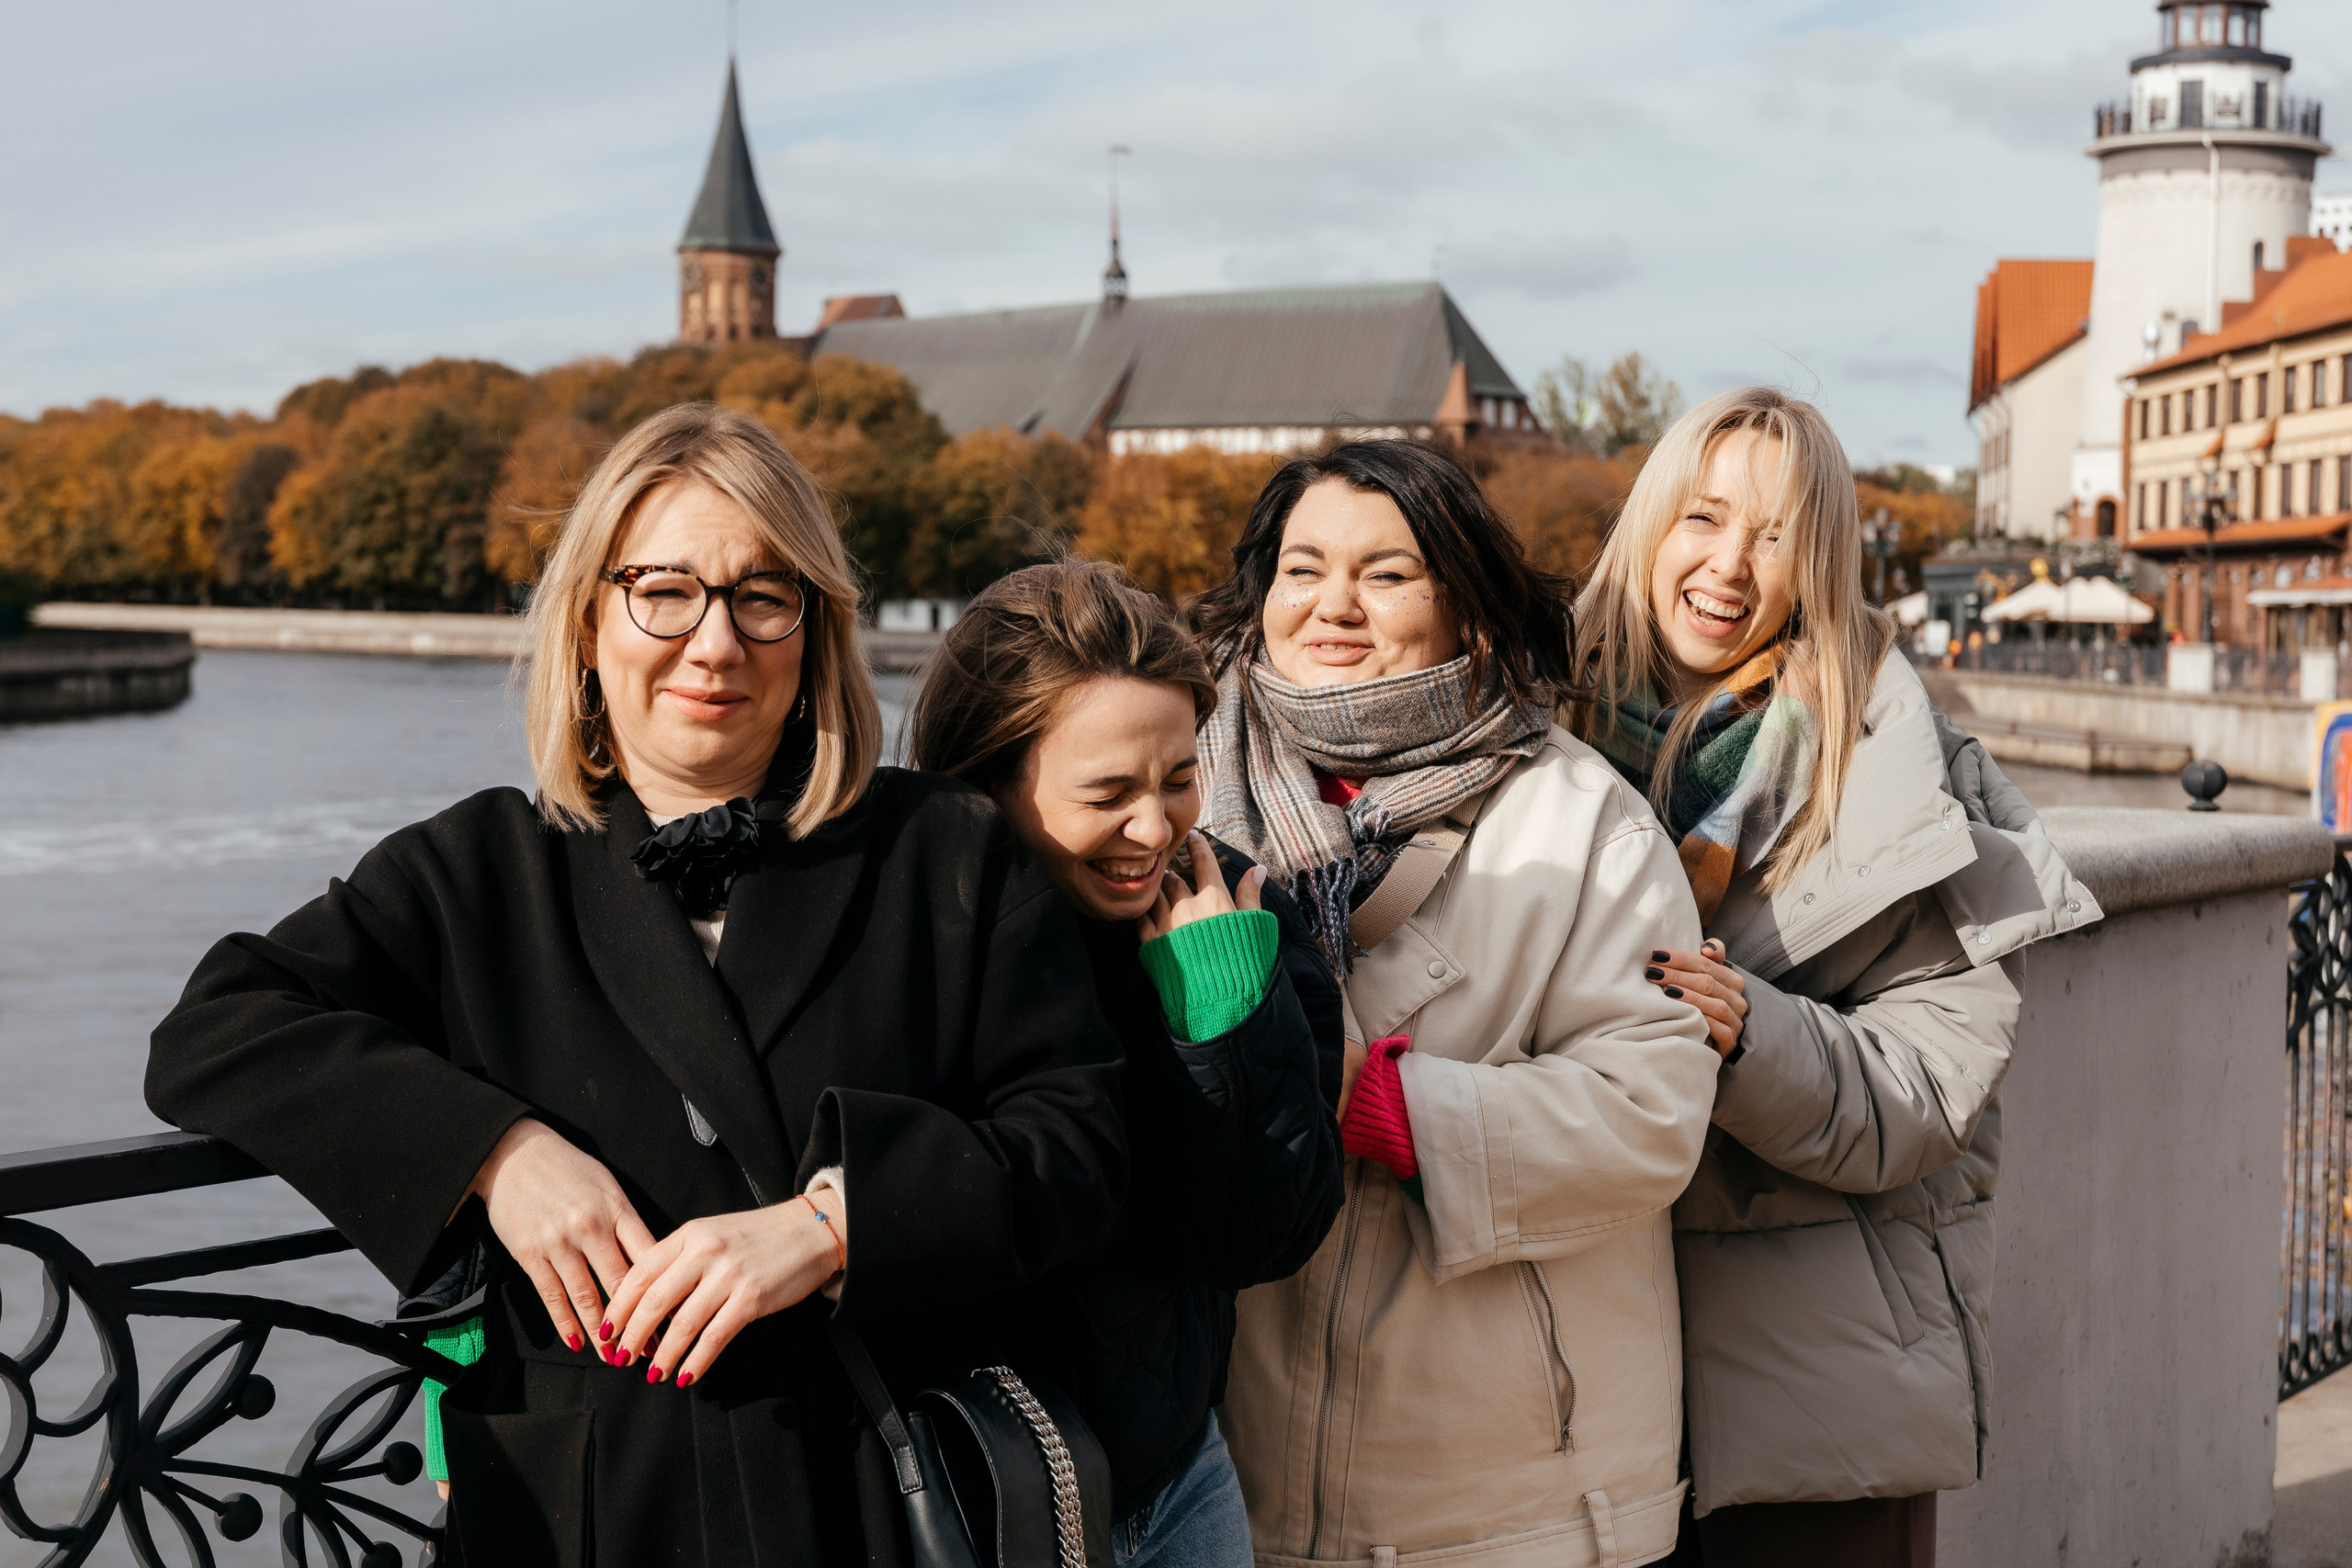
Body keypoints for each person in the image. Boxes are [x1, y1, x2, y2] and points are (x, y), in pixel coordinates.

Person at [144, 405, 1129, 1567]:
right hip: (586, 1517)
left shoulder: (944, 853)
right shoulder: (473, 872)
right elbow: (212, 1031)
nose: (715, 644)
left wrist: (833, 1225)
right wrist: (493, 1155)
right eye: (664, 590)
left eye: (764, 596)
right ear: (588, 625)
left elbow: (1085, 1146)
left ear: (814, 634)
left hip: (879, 1500)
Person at [1570, 387, 2100, 1568]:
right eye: (1704, 518)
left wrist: (1749, 1035)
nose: (1729, 566)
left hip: (1814, 1375)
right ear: (1651, 523)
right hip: (1573, 1370)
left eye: (1777, 537)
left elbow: (1924, 1094)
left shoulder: (1891, 765)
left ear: (1820, 566)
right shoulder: (1538, 726)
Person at [1193, 439, 1722, 1568]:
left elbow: (1650, 1112)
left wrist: (1376, 1103)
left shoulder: (1586, 823)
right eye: (1302, 568)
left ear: (1465, 609)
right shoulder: (1180, 782)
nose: (1332, 605)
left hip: (1505, 1481)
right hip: (1220, 1459)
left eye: (1386, 574)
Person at [908, 558, 1345, 1567]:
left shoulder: (1237, 917)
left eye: (1179, 779)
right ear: (986, 775)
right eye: (1108, 792)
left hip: (1175, 1482)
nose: (1155, 829)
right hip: (969, 1493)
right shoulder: (905, 934)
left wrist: (1222, 1019)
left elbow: (1263, 1236)